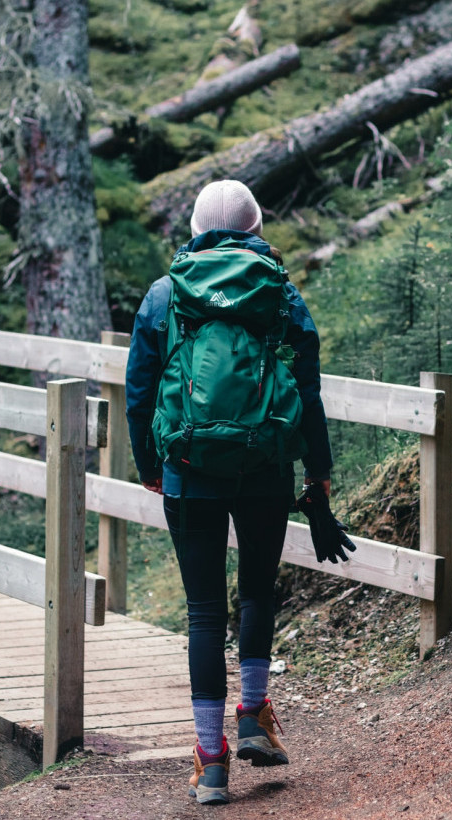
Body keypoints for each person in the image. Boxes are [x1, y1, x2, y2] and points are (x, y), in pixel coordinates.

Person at [125, 179, 332, 804]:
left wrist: (150, 465)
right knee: (258, 592)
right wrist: (317, 473)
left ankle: (211, 763)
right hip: (264, 465)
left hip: (189, 469)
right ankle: (253, 717)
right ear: (256, 228)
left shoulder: (165, 294)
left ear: (194, 229)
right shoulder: (279, 291)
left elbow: (139, 392)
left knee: (204, 613)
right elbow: (308, 388)